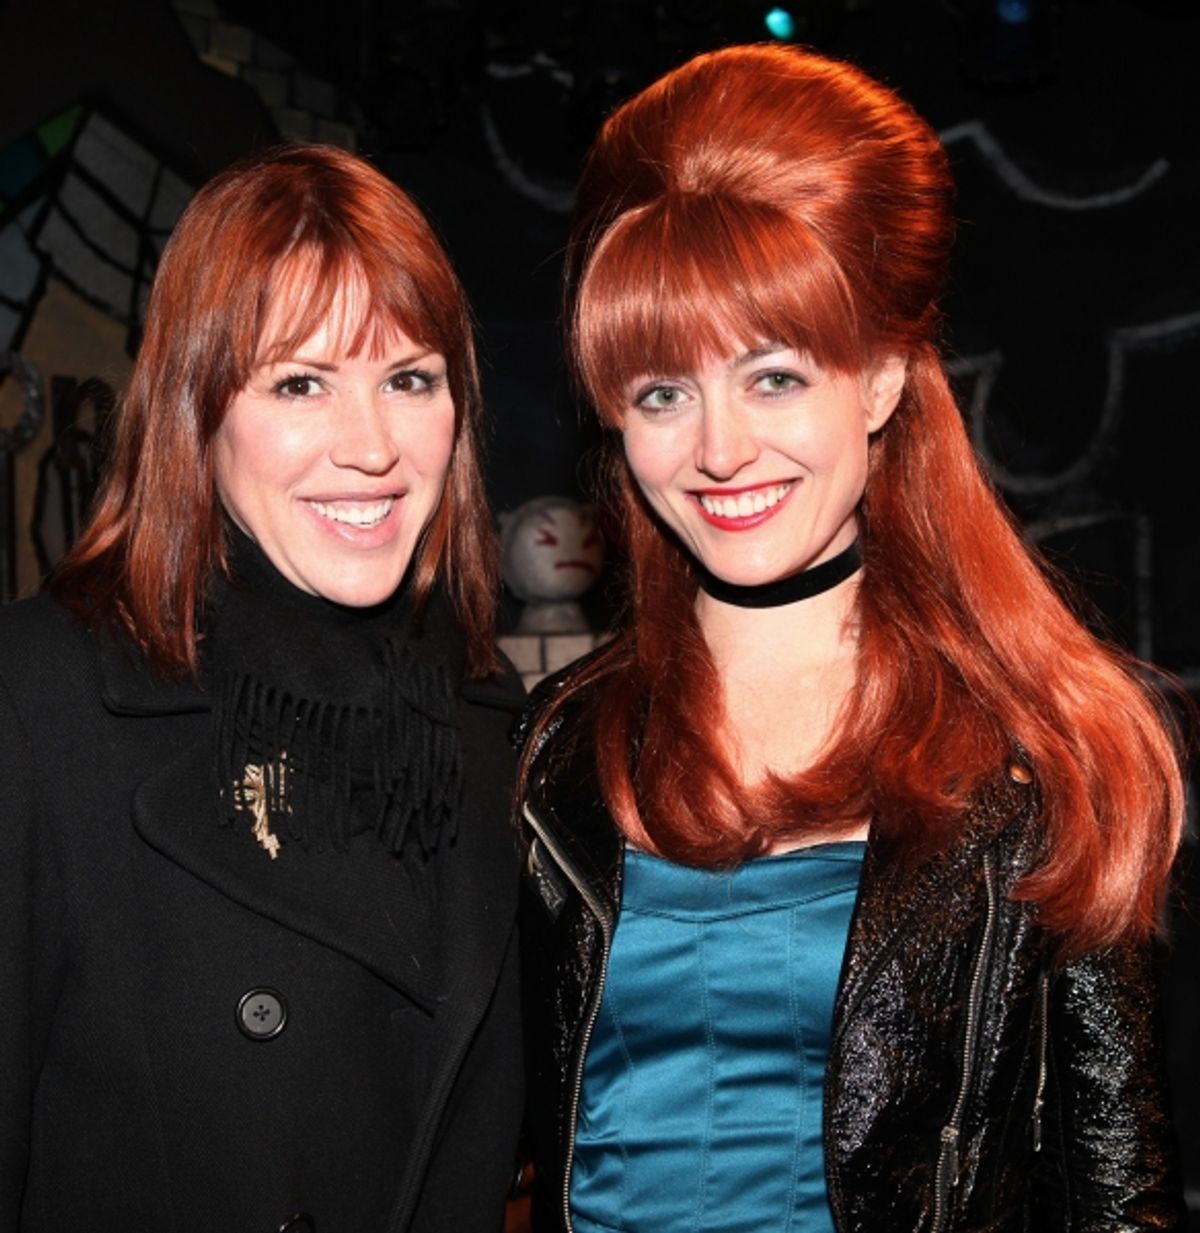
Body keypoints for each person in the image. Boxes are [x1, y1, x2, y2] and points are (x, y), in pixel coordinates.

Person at [516, 44, 1187, 1233]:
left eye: (773, 377)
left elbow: (1120, 1199)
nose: (717, 449)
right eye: (663, 392)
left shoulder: (1042, 749)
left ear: (880, 378)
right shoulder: (551, 750)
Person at [0, 144, 523, 1232]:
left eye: (409, 379)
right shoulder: (41, 701)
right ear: (197, 408)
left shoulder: (485, 719)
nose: (371, 446)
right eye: (299, 382)